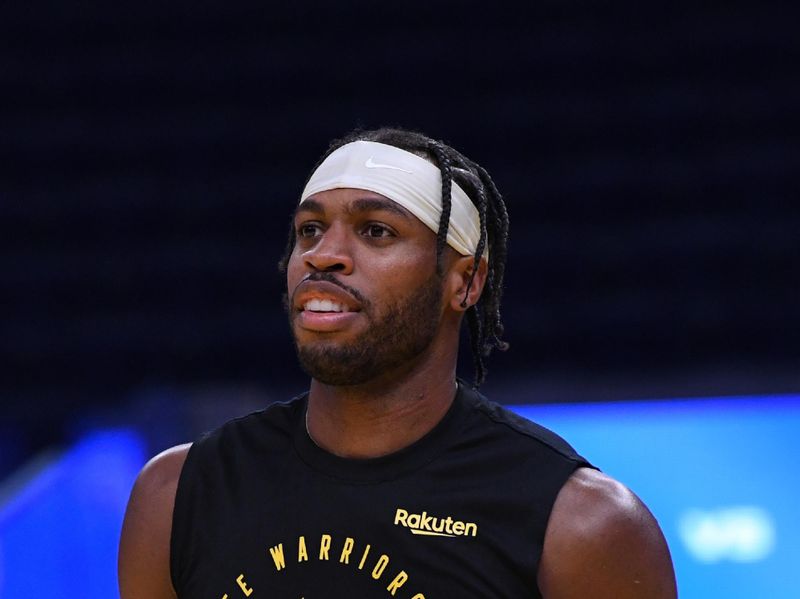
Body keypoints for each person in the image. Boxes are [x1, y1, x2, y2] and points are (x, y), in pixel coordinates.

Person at [119, 128, 677, 598]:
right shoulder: (177, 494)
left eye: (376, 231)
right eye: (309, 230)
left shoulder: (582, 525)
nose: (323, 254)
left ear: (465, 281)